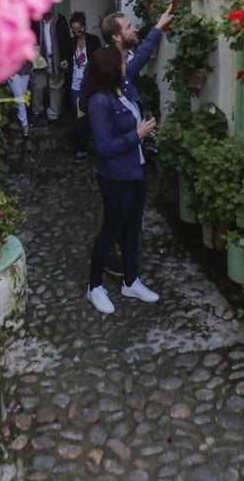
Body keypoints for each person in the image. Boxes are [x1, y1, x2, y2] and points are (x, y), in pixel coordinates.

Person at [80, 2, 175, 277]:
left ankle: (127, 262)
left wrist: (158, 27)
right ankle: (106, 255)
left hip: (133, 157)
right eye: (130, 27)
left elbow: (142, 56)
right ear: (117, 37)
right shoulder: (102, 68)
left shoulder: (126, 64)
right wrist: (113, 119)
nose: (135, 29)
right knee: (111, 213)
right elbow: (89, 102)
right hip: (114, 153)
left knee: (129, 216)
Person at [85, 46, 159, 314]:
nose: (126, 63)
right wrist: (137, 135)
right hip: (116, 177)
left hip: (136, 172)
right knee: (111, 232)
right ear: (110, 68)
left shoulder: (123, 92)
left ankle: (131, 280)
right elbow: (104, 146)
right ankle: (94, 286)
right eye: (122, 61)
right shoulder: (99, 102)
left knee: (132, 230)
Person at [68, 11, 102, 160]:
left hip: (91, 83)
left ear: (84, 27)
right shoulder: (70, 42)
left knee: (95, 115)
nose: (76, 33)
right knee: (79, 117)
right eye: (74, 31)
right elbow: (66, 59)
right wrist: (65, 64)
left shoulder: (94, 41)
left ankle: (96, 145)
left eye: (79, 30)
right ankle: (81, 148)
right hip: (75, 85)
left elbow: (100, 61)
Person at [30, 7, 73, 123]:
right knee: (37, 86)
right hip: (39, 57)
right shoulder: (35, 21)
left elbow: (66, 41)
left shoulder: (60, 20)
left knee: (55, 87)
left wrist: (64, 58)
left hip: (56, 58)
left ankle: (54, 114)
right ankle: (36, 111)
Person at [8, 57, 32, 137]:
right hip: (12, 71)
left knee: (22, 98)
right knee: (19, 98)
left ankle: (21, 121)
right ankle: (24, 124)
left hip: (26, 70)